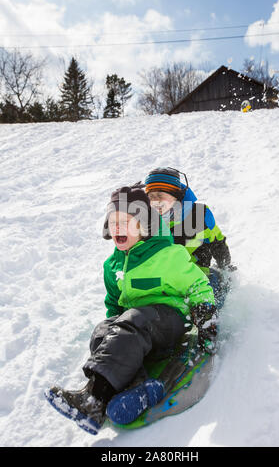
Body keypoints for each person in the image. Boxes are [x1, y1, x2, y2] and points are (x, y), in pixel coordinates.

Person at [46, 186, 217, 431]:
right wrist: (111, 333)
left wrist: (207, 323)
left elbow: (199, 285)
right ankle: (138, 388)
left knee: (134, 318)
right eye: (113, 222)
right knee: (102, 331)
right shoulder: (112, 265)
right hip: (137, 327)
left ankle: (94, 399)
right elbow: (114, 305)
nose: (117, 228)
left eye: (125, 222)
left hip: (170, 320)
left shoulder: (167, 256)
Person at [144, 167, 236, 311]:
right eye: (151, 196)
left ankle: (212, 326)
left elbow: (217, 242)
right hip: (163, 283)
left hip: (199, 278)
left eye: (160, 195)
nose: (155, 201)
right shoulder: (145, 222)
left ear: (175, 195)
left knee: (210, 299)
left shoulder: (199, 215)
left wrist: (225, 267)